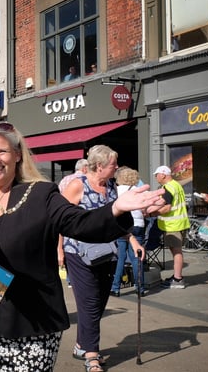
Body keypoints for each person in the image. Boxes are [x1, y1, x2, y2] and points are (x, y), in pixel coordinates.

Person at [0, 125, 163, 372]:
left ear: (18, 154)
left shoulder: (41, 194)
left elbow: (80, 223)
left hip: (30, 324)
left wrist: (116, 209)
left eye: (2, 151)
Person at [62, 145, 146, 372]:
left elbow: (115, 219)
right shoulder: (77, 185)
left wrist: (133, 241)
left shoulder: (110, 187)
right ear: (99, 166)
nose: (117, 168)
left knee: (99, 303)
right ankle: (92, 357)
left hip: (106, 252)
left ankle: (82, 345)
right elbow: (59, 220)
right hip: (78, 253)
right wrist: (58, 252)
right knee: (89, 304)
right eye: (113, 165)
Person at [151, 165, 190, 289]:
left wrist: (152, 213)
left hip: (173, 226)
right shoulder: (176, 185)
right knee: (176, 251)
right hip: (179, 223)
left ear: (163, 174)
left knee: (176, 251)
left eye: (156, 175)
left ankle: (178, 279)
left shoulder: (167, 188)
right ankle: (177, 276)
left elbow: (167, 207)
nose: (156, 177)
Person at [110, 167, 147, 297]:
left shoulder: (116, 191)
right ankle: (140, 287)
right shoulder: (137, 191)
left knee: (120, 257)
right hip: (138, 224)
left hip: (122, 226)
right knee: (137, 257)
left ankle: (115, 287)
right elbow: (144, 209)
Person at [58, 158, 89, 287]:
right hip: (80, 224)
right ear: (85, 168)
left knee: (70, 250)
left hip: (66, 223)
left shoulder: (65, 180)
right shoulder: (85, 181)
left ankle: (71, 279)